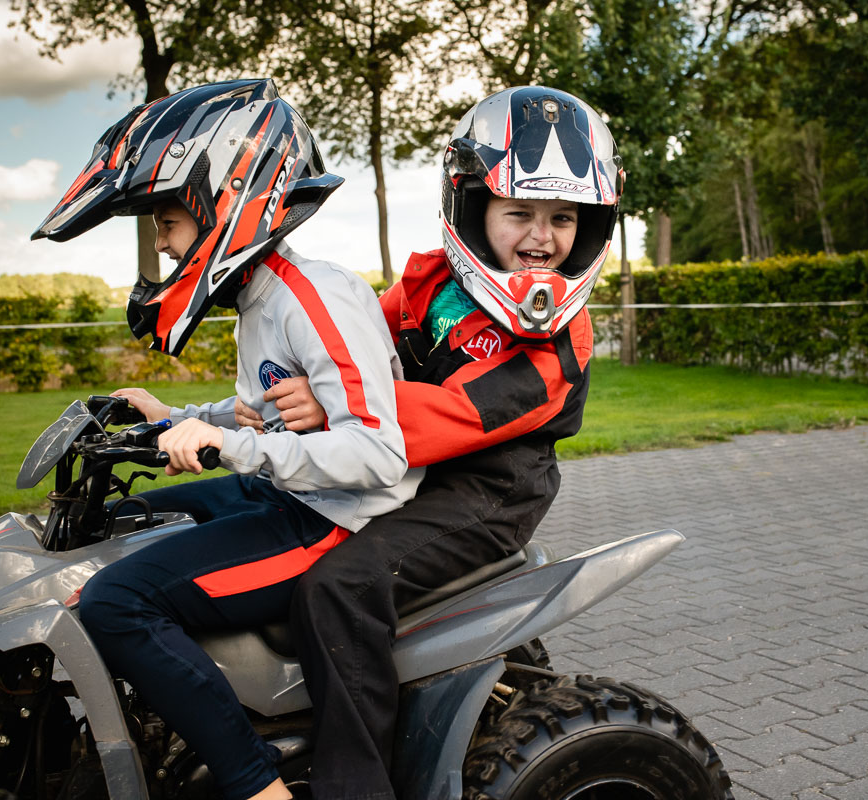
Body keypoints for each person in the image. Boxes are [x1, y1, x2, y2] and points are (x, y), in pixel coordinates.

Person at [31, 79, 421, 800]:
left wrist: (230, 447)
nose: (162, 243)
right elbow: (257, 415)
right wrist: (172, 416)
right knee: (128, 524)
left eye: (168, 222)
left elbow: (378, 453)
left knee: (118, 602)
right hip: (281, 488)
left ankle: (254, 784)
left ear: (227, 203)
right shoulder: (260, 301)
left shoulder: (315, 298)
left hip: (332, 518)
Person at [238, 86, 624, 799]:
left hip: (484, 496)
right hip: (404, 470)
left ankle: (357, 783)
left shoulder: (561, 341)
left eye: (563, 217)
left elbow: (456, 415)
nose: (541, 236)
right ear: (474, 209)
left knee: (340, 587)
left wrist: (329, 410)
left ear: (592, 225)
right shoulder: (432, 283)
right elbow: (353, 347)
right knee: (257, 510)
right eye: (520, 213)